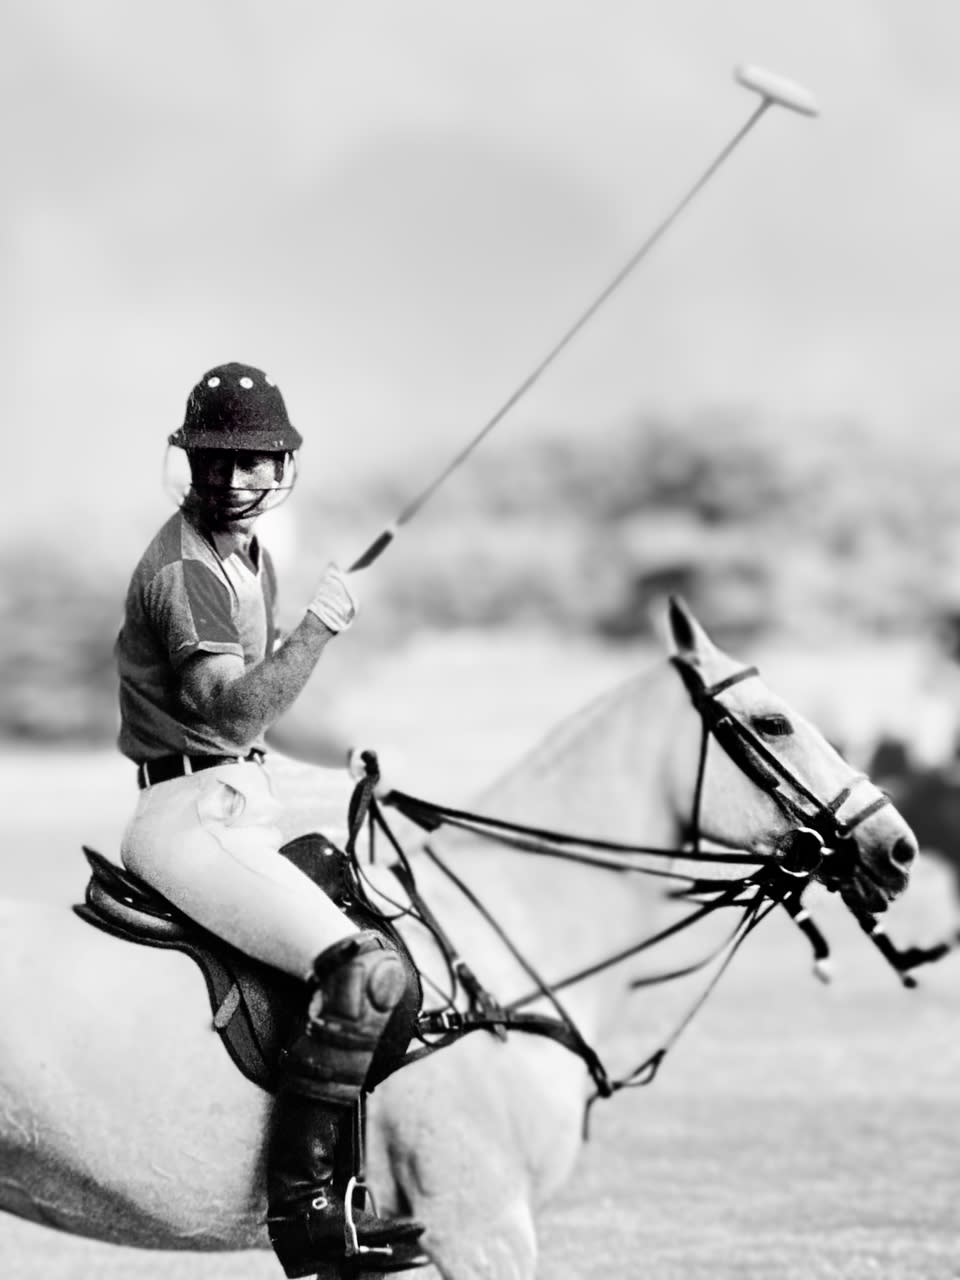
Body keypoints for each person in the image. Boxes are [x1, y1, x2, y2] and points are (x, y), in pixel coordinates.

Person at [114, 362, 424, 1276]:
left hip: (237, 793)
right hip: (187, 810)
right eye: (220, 461)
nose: (238, 480)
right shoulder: (184, 574)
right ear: (192, 465)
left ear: (279, 465)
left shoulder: (251, 558)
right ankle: (307, 1210)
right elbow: (227, 714)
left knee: (380, 913)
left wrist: (340, 765)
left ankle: (358, 1179)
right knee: (360, 971)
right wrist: (318, 633)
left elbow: (261, 723)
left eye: (256, 462)